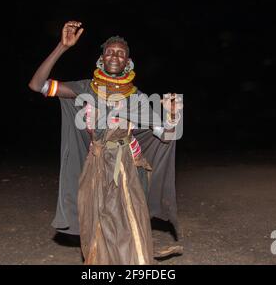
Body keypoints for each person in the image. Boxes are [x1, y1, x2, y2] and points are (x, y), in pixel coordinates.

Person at [29, 21, 183, 264]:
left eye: (121, 53)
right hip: (96, 167)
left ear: (128, 62)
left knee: (131, 225)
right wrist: (62, 46)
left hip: (129, 168)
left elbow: (167, 135)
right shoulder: (85, 89)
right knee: (97, 226)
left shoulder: (137, 97)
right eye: (109, 51)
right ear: (101, 58)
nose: (115, 56)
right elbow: (37, 85)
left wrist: (173, 114)